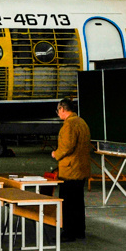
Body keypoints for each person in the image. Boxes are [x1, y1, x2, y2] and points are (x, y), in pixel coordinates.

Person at [52, 97, 91, 242]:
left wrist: (56, 154)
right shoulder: (82, 122)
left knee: (67, 203)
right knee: (78, 202)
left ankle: (69, 233)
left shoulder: (69, 125)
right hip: (81, 168)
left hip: (70, 170)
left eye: (58, 111)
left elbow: (67, 146)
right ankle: (80, 231)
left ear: (62, 109)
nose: (58, 114)